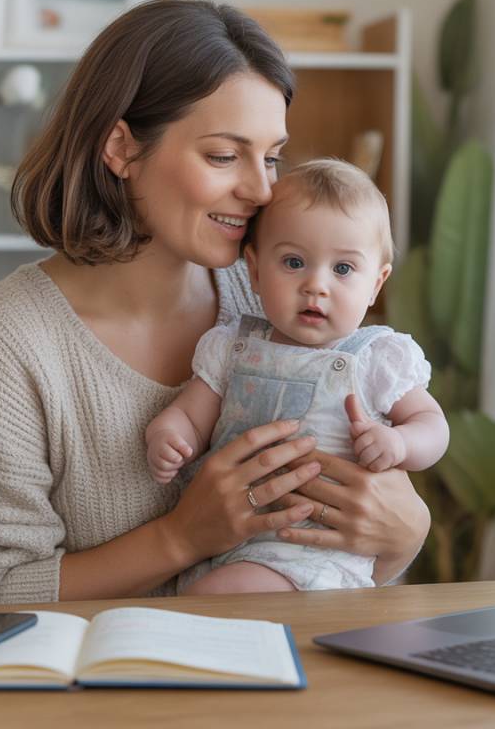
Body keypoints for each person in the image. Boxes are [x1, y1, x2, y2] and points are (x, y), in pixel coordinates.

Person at [0, 0, 431, 607]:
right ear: (120, 147)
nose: (261, 189)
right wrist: (179, 539)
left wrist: (407, 534)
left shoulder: (278, 294)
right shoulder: (9, 341)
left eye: (271, 157)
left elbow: (336, 563)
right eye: (224, 155)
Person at [146, 159, 449, 594]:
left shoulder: (377, 357)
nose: (316, 286)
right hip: (230, 541)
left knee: (213, 598)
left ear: (376, 284)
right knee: (207, 595)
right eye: (293, 262)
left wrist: (400, 442)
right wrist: (168, 434)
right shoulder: (232, 347)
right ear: (253, 269)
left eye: (343, 269)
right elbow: (191, 415)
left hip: (316, 554)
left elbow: (433, 426)